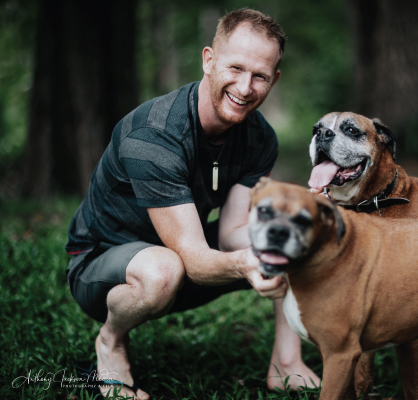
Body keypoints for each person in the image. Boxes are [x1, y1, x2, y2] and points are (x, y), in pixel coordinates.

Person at [65, 8, 319, 399]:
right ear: (208, 60)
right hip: (103, 266)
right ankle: (111, 342)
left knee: (287, 239)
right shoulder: (154, 134)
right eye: (235, 68)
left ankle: (285, 363)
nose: (245, 87)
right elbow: (194, 257)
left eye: (260, 76)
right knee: (163, 269)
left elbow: (234, 232)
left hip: (184, 256)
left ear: (275, 80)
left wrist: (292, 232)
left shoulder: (260, 139)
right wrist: (247, 263)